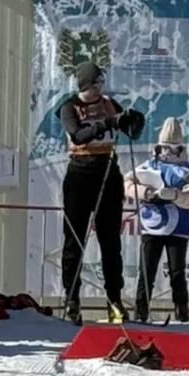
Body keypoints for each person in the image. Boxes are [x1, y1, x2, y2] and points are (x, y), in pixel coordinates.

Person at [58, 61, 145, 324]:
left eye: (102, 83)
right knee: (75, 240)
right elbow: (78, 135)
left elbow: (128, 129)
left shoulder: (109, 103)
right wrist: (107, 123)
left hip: (108, 171)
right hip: (80, 173)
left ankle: (114, 300)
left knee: (110, 241)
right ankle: (72, 299)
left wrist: (133, 121)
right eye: (97, 83)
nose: (101, 88)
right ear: (88, 84)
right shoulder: (69, 107)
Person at [125, 116, 189, 324]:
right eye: (163, 148)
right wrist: (146, 192)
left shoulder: (188, 170)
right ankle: (141, 311)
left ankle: (181, 310)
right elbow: (127, 184)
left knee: (177, 272)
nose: (167, 153)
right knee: (146, 270)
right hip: (152, 226)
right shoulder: (147, 166)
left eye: (173, 148)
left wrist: (177, 196)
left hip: (178, 227)